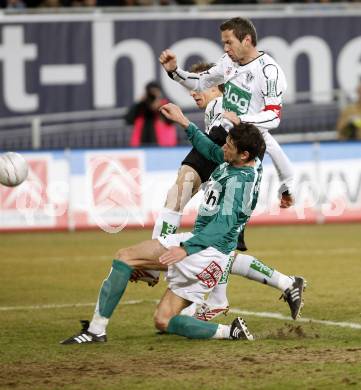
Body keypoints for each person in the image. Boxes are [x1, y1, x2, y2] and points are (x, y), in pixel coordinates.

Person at [60, 103, 266, 344]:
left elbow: (221, 227)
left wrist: (185, 249)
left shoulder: (238, 184)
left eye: (229, 146)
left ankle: (96, 330)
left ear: (244, 155)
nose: (223, 148)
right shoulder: (241, 162)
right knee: (164, 320)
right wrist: (184, 123)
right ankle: (230, 332)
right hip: (213, 259)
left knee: (125, 257)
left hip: (202, 250)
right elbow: (210, 149)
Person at [132, 63, 305, 321]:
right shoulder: (222, 115)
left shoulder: (228, 110)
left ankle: (167, 272)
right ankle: (280, 284)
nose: (194, 92)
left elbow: (269, 145)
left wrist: (287, 183)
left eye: (203, 85)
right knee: (221, 249)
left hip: (236, 189)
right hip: (227, 185)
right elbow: (231, 149)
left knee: (189, 211)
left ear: (218, 87)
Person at [159, 16, 294, 208]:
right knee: (183, 183)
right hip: (220, 134)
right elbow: (199, 82)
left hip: (245, 146)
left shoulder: (269, 71)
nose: (225, 48)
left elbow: (273, 116)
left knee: (227, 219)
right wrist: (174, 71)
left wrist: (241, 119)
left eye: (229, 42)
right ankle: (163, 236)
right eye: (224, 43)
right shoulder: (227, 62)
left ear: (246, 40)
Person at [124, 81, 177, 147]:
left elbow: (172, 121)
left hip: (163, 144)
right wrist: (139, 103)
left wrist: (160, 106)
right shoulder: (141, 106)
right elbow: (128, 119)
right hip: (141, 143)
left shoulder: (166, 105)